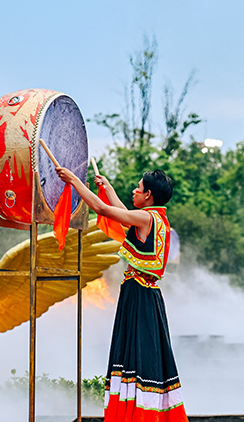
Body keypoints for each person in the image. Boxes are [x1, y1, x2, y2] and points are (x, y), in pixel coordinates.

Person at [55, 167, 188, 422]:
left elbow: (105, 211)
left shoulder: (147, 219)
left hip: (139, 295)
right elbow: (124, 215)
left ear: (148, 195)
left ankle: (138, 416)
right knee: (139, 358)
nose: (134, 191)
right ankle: (136, 413)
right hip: (143, 294)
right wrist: (106, 188)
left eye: (138, 188)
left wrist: (74, 181)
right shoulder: (155, 218)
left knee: (139, 358)